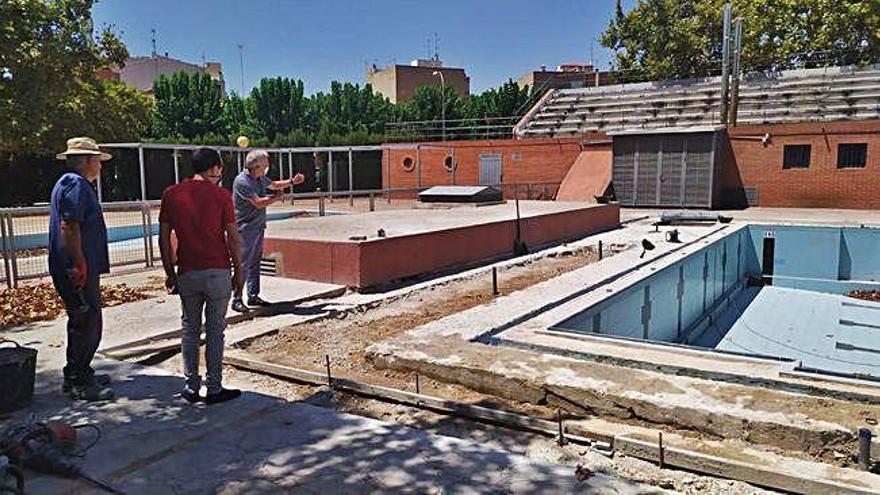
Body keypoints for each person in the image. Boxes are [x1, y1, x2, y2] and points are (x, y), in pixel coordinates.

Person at [158, 147, 244, 404]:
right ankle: (214, 388)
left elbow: (163, 237)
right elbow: (233, 237)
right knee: (216, 330)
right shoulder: (221, 196)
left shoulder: (171, 194)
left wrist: (168, 272)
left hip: (187, 271)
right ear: (214, 168)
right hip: (217, 270)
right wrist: (239, 272)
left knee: (189, 329)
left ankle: (191, 387)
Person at [49, 137, 114, 401]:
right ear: (87, 160)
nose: (100, 165)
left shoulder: (70, 184)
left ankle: (80, 370)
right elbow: (69, 225)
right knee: (86, 320)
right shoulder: (75, 185)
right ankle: (78, 380)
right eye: (98, 160)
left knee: (84, 318)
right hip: (76, 268)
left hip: (79, 265)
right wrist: (78, 262)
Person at [230, 150, 304, 312]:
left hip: (257, 227)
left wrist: (292, 181)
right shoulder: (243, 181)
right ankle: (236, 298)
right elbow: (258, 202)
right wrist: (276, 198)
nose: (267, 166)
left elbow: (274, 185)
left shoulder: (259, 177)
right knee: (242, 264)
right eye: (265, 164)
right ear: (256, 166)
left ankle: (253, 296)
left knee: (254, 263)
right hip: (244, 229)